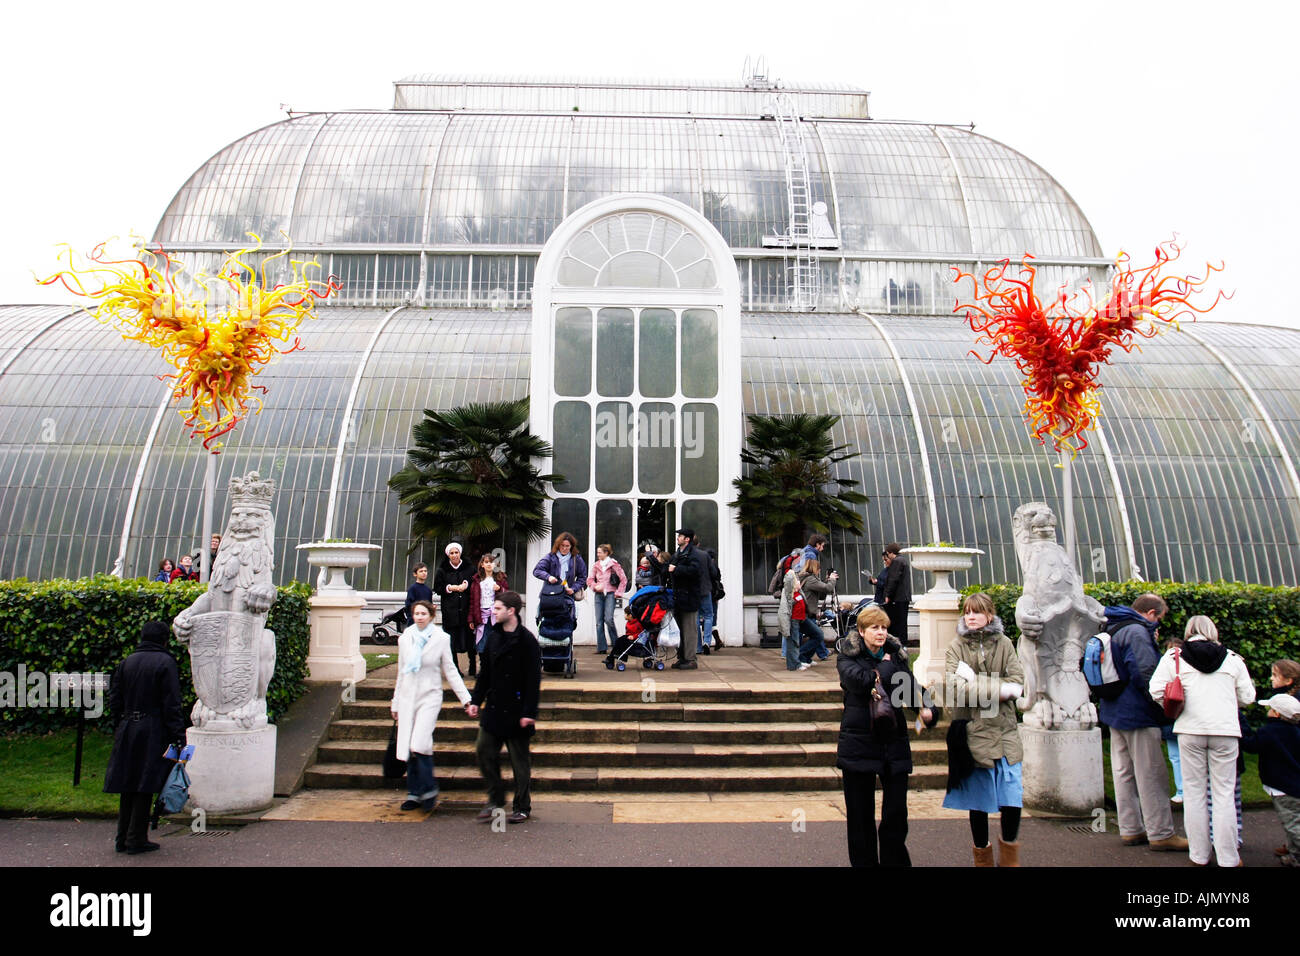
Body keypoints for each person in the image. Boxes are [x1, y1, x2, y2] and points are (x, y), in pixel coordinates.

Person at [1150, 615, 1255, 867]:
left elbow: (1155, 690)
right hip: (1225, 731)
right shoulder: (1232, 658)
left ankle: (1198, 855)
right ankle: (1229, 857)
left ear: (1188, 631)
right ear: (1213, 631)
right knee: (1223, 794)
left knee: (1195, 794)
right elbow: (1248, 696)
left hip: (1190, 729)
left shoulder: (1173, 657)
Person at [836, 605, 936, 866]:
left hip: (892, 742)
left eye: (883, 628)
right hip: (859, 742)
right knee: (860, 818)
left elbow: (911, 689)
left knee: (895, 815)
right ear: (862, 631)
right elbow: (858, 681)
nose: (880, 633)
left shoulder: (896, 656)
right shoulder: (848, 655)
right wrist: (886, 669)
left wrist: (928, 710)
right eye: (874, 628)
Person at [1100, 593, 1188, 852]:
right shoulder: (1137, 632)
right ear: (1151, 613)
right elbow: (1145, 673)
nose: (1158, 623)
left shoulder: (1112, 626)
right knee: (1150, 773)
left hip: (1113, 709)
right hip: (1137, 712)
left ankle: (1131, 828)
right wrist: (1160, 708)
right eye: (1158, 618)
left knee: (1123, 773)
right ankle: (1161, 832)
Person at [942, 592, 1025, 866]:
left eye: (977, 612)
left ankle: (1010, 859)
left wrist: (974, 680)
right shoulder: (956, 646)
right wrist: (999, 688)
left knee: (1012, 799)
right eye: (967, 612)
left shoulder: (1004, 644)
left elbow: (1017, 682)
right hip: (974, 732)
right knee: (978, 803)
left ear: (989, 614)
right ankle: (983, 859)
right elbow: (955, 689)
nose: (971, 617)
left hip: (1004, 731)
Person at [103, 620, 186, 854]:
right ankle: (136, 838)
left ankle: (123, 837)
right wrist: (178, 737)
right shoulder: (165, 663)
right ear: (163, 639)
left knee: (128, 782)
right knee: (145, 782)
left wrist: (121, 723)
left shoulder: (127, 662)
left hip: (128, 725)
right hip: (152, 727)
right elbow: (171, 704)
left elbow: (115, 700)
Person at [468, 591, 542, 824]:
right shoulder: (493, 637)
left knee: (520, 762)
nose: (493, 611)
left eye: (498, 608)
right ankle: (495, 798)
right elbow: (485, 674)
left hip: (518, 709)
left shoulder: (528, 641)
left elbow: (533, 681)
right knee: (483, 751)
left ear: (511, 611)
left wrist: (529, 712)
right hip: (494, 707)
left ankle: (522, 806)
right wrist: (475, 700)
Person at [389, 600, 470, 811]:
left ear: (432, 616)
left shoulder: (441, 639)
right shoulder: (405, 639)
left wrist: (466, 699)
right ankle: (414, 793)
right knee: (409, 746)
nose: (419, 617)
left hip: (430, 696)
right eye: (416, 613)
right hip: (408, 697)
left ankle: (429, 788)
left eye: (423, 613)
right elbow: (401, 672)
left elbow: (451, 670)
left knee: (419, 742)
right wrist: (395, 703)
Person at [1241, 689, 1300, 867]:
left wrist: (1241, 724)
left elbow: (1251, 745)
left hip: (1283, 789)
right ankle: (1294, 855)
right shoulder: (1296, 731)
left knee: (1293, 824)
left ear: (1276, 713)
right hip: (1295, 785)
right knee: (1295, 822)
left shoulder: (1269, 732)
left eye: (1270, 708)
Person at [654, 528, 701, 670]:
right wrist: (653, 559)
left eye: (680, 536)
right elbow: (667, 568)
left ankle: (691, 659)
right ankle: (682, 658)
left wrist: (677, 570)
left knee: (689, 630)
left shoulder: (693, 554)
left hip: (689, 597)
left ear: (687, 539)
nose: (678, 538)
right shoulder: (678, 553)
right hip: (678, 597)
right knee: (680, 629)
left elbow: (695, 571)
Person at [435, 543, 476, 676]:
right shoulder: (442, 570)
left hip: (466, 610)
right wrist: (450, 588)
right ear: (448, 555)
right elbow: (438, 588)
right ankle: (455, 668)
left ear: (460, 553)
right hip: (450, 612)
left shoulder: (469, 568)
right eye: (451, 553)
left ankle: (472, 665)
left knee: (470, 639)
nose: (454, 555)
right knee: (451, 641)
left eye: (456, 552)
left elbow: (476, 585)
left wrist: (466, 585)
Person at [586, 543, 627, 656]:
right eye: (597, 552)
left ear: (606, 553)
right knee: (599, 622)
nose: (598, 554)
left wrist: (619, 592)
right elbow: (589, 580)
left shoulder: (614, 564)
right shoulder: (596, 565)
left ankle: (616, 645)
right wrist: (595, 586)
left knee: (608, 619)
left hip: (610, 594)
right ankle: (602, 647)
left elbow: (623, 579)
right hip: (598, 595)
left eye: (600, 552)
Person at [796, 558, 837, 665]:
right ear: (815, 569)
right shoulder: (811, 579)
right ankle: (801, 656)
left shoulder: (808, 578)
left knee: (816, 636)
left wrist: (827, 580)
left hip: (808, 613)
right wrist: (832, 580)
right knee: (818, 636)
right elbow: (828, 589)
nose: (819, 571)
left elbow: (821, 594)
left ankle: (806, 659)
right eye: (818, 569)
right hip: (807, 614)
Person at [468, 553, 509, 656]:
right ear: (482, 564)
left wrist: (499, 589)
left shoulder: (500, 580)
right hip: (481, 616)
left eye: (491, 562)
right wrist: (471, 619)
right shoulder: (477, 581)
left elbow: (507, 596)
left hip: (495, 616)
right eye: (486, 562)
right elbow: (472, 601)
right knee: (482, 645)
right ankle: (484, 669)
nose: (489, 564)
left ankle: (494, 669)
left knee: (496, 644)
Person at [694, 536, 720, 655]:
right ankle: (707, 641)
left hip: (694, 591)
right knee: (709, 616)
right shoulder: (705, 556)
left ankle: (698, 647)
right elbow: (715, 574)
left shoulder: (685, 555)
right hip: (705, 589)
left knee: (696, 618)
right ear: (698, 544)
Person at [880, 542, 911, 641]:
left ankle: (900, 643)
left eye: (888, 554)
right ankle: (903, 643)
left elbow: (893, 579)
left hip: (898, 597)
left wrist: (888, 594)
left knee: (897, 622)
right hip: (904, 597)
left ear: (890, 552)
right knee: (902, 621)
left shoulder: (897, 561)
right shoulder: (903, 561)